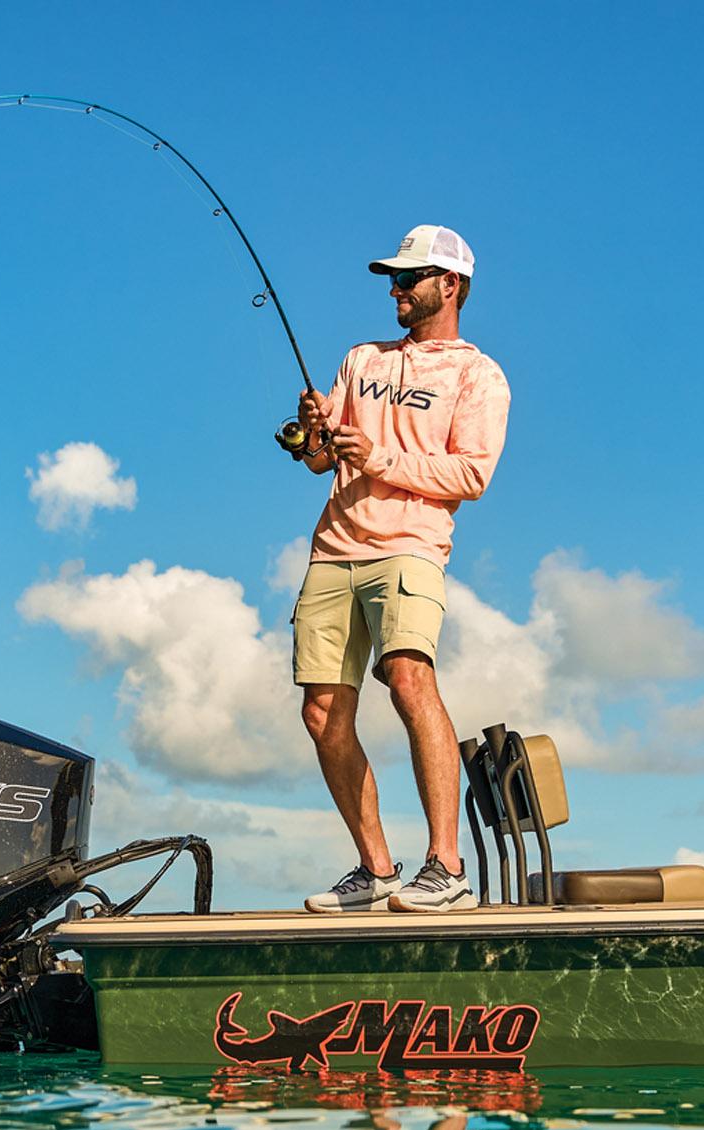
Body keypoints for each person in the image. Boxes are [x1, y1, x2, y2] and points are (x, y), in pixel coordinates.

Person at [287, 225, 510, 914]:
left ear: (451, 285)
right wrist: (314, 433)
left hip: (410, 548)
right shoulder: (362, 359)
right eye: (393, 277)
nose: (396, 289)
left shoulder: (479, 374)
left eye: (409, 278)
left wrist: (379, 456)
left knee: (410, 679)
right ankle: (377, 867)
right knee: (321, 711)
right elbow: (321, 457)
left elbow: (470, 474)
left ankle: (447, 864)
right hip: (333, 548)